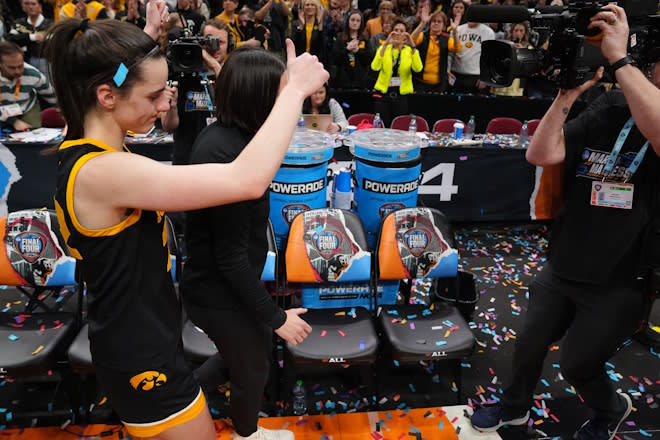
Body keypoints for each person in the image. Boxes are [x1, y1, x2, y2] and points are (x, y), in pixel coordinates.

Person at [42, 10, 327, 440]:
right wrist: (293, 92)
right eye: (155, 95)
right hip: (139, 352)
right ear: (107, 96)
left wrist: (145, 39)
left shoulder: (86, 134)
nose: (165, 105)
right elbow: (246, 181)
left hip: (143, 336)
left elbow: (114, 79)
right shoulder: (103, 172)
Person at [470, 5, 660, 440]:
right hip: (566, 262)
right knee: (528, 346)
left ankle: (610, 408)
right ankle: (513, 409)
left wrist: (621, 63)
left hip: (620, 279)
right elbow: (541, 155)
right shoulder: (611, 105)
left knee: (578, 364)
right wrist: (567, 96)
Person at [181, 46, 313, 440]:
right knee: (253, 368)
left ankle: (178, 403)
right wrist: (278, 318)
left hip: (228, 287)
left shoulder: (234, 135)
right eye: (280, 92)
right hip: (218, 291)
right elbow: (230, 257)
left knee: (245, 359)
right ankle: (245, 435)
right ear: (257, 96)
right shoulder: (225, 151)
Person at [370, 16, 422, 127]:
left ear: (406, 35)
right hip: (383, 96)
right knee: (382, 128)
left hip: (401, 96)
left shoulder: (409, 51)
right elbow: (375, 67)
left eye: (402, 31)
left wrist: (412, 45)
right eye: (396, 30)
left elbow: (418, 68)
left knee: (398, 128)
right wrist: (386, 44)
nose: (398, 33)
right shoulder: (384, 49)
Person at [0, 41, 57, 132]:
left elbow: (52, 96)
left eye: (20, 66)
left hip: (27, 107)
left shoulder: (32, 73)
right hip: (2, 108)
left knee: (33, 134)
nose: (18, 71)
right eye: (12, 68)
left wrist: (66, 116)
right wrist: (14, 121)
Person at [411, 8, 460, 93]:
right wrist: (423, 23)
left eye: (439, 21)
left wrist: (455, 31)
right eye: (433, 21)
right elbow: (411, 40)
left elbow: (457, 48)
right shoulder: (423, 35)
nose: (436, 23)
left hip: (438, 84)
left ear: (444, 25)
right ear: (430, 23)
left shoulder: (447, 38)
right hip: (419, 82)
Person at [447, 16, 494, 94]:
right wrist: (447, 71)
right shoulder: (456, 29)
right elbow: (450, 53)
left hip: (476, 77)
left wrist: (486, 77)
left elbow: (490, 57)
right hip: (455, 75)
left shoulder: (488, 32)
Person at [6, 0, 53, 77]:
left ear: (40, 6)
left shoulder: (50, 24)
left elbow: (51, 41)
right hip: (24, 60)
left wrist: (24, 42)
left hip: (44, 60)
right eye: (27, 4)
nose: (30, 7)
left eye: (33, 4)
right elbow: (11, 39)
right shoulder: (19, 23)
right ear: (22, 6)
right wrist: (32, 37)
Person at [330, 10, 370, 90]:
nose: (355, 23)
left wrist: (358, 51)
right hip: (343, 82)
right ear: (348, 21)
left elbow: (368, 60)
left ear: (361, 23)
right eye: (352, 20)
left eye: (358, 21)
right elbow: (335, 59)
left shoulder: (365, 39)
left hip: (359, 83)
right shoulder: (340, 38)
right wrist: (347, 49)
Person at [491, 22, 531, 97]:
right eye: (516, 30)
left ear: (525, 33)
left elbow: (529, 68)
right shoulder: (504, 45)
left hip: (516, 88)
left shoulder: (528, 48)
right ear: (512, 32)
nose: (518, 33)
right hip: (501, 84)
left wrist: (522, 51)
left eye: (521, 30)